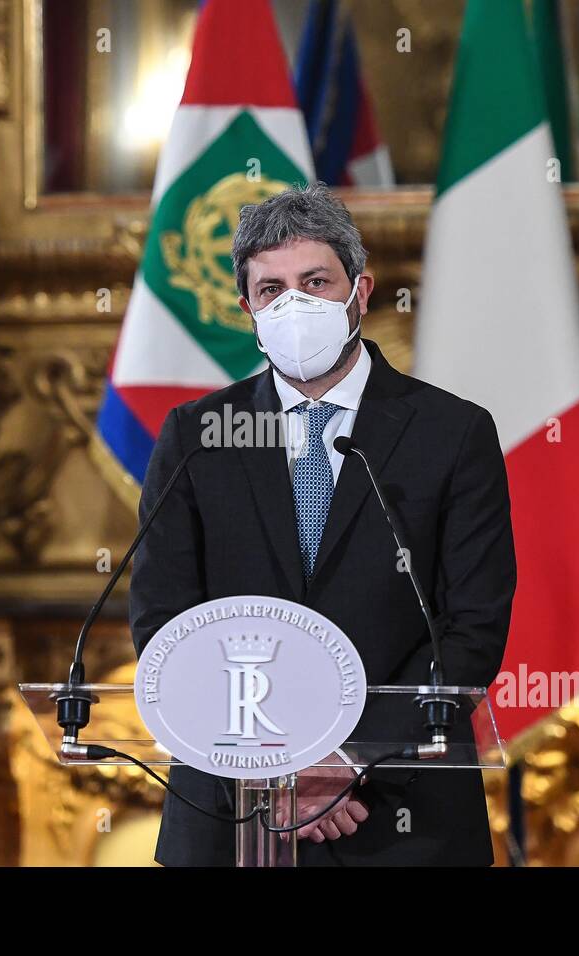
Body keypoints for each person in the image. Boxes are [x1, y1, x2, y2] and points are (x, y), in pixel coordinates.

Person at [130, 182, 516, 865]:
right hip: (229, 811)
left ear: (360, 292)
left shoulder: (452, 433)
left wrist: (346, 758)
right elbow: (165, 624)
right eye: (272, 288)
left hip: (403, 817)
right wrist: (268, 766)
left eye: (316, 280)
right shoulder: (196, 434)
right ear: (248, 306)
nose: (295, 303)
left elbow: (472, 627)